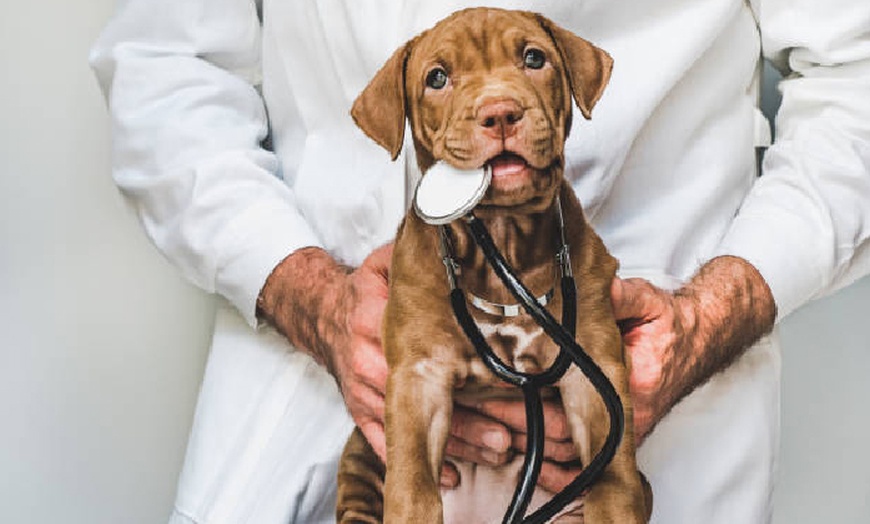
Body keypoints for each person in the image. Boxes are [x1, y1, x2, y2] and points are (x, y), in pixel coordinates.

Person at [90, 1, 870, 523]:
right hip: (310, 426)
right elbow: (166, 66)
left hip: (660, 420)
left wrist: (710, 317)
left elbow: (856, 72)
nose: (496, 104)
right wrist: (311, 297)